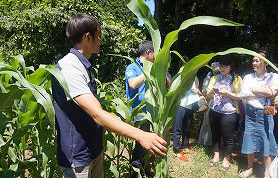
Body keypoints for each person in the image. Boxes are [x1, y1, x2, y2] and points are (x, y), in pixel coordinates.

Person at [52, 14, 167, 178]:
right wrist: (140, 135)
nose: (100, 40)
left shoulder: (83, 64)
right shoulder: (70, 67)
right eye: (98, 35)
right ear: (87, 37)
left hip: (92, 149)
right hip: (78, 157)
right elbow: (97, 114)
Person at [239, 50, 278, 178]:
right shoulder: (248, 77)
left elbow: (272, 93)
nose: (254, 63)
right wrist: (265, 90)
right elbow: (243, 95)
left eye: (257, 60)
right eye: (253, 60)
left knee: (267, 139)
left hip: (267, 110)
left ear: (265, 63)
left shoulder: (274, 76)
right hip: (251, 111)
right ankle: (249, 168)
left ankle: (266, 172)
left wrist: (254, 89)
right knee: (249, 138)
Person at [207, 55, 242, 170]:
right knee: (215, 134)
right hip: (214, 110)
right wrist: (211, 93)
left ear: (230, 67)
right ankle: (216, 156)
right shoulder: (215, 78)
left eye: (225, 66)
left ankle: (227, 159)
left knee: (228, 137)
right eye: (220, 66)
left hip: (229, 112)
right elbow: (208, 94)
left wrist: (226, 93)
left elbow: (239, 97)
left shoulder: (236, 79)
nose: (222, 69)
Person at [125, 40, 155, 172]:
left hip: (151, 111)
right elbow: (133, 84)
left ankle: (145, 166)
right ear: (148, 52)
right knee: (140, 143)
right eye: (155, 54)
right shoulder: (132, 67)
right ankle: (135, 169)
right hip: (138, 113)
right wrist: (148, 71)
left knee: (149, 141)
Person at [173, 76, 201, 161]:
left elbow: (198, 92)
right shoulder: (181, 76)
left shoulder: (195, 78)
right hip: (181, 106)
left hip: (190, 106)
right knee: (178, 128)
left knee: (187, 128)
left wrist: (198, 91)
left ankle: (185, 146)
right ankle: (177, 150)